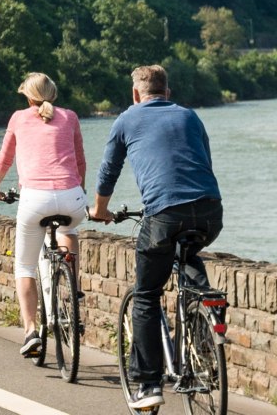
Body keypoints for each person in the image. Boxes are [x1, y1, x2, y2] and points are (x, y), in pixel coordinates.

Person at [88, 64, 224, 412]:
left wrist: (99, 210)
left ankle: (149, 383)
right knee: (188, 255)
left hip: (164, 214)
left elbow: (108, 170)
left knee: (146, 295)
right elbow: (203, 160)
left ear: (136, 94)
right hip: (210, 211)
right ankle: (203, 322)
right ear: (168, 91)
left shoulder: (126, 119)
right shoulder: (189, 116)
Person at [0, 72, 87, 359]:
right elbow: (80, 161)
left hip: (34, 199)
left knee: (25, 266)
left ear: (28, 96)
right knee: (69, 230)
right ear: (53, 93)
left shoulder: (18, 118)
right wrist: (80, 191)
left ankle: (31, 331)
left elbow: (4, 160)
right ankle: (73, 289)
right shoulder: (70, 117)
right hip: (72, 197)